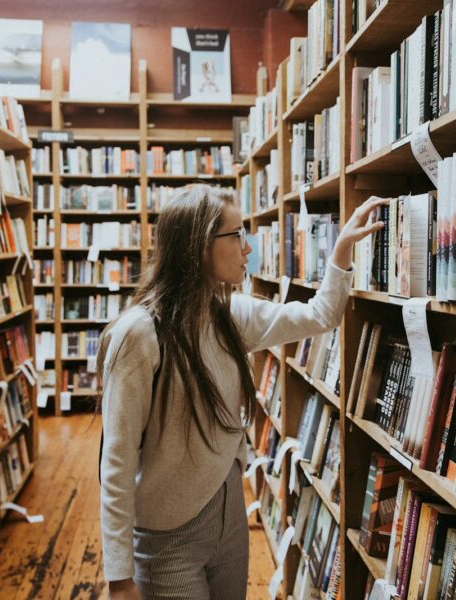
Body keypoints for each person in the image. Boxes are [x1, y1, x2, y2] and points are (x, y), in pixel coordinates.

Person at [97, 184, 387, 599]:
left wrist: (340, 253)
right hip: (167, 536)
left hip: (228, 513)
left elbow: (320, 315)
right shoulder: (140, 335)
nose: (248, 247)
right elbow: (118, 459)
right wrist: (119, 577)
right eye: (237, 235)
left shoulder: (231, 314)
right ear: (200, 247)